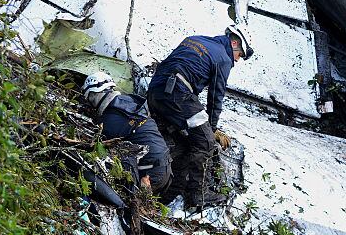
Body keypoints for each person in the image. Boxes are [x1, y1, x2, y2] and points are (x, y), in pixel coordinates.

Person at [145, 24, 253, 207]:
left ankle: (168, 194)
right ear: (234, 43)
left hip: (155, 92)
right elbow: (215, 97)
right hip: (177, 94)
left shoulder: (194, 39)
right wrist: (212, 129)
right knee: (205, 141)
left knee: (184, 144)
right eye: (240, 54)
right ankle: (198, 194)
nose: (238, 59)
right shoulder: (223, 58)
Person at [82, 72, 172, 194]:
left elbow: (100, 149)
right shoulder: (130, 101)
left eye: (90, 97)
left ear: (95, 94)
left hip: (148, 173)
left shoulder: (109, 119)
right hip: (165, 168)